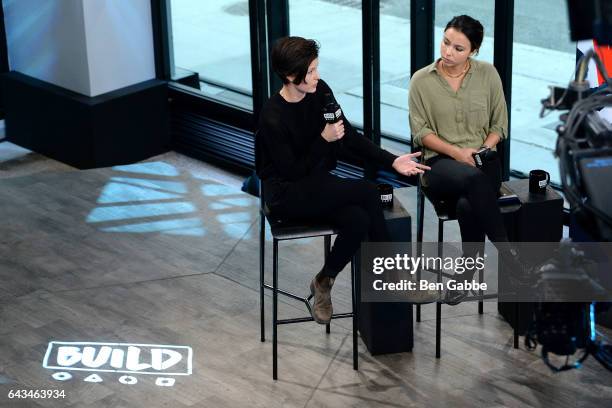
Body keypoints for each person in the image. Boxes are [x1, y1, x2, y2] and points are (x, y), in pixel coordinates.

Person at [257, 36, 437, 324]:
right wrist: (322, 140)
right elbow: (291, 172)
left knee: (358, 220)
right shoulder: (272, 117)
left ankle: (323, 281)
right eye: (311, 71)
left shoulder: (320, 91)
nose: (317, 76)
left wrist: (391, 159)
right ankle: (396, 278)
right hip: (285, 194)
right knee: (367, 192)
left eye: (316, 68)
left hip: (315, 183)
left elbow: (348, 136)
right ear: (291, 76)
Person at [409, 15, 518, 304]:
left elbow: (500, 125)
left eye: (458, 48)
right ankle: (510, 255)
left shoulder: (488, 74)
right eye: (446, 42)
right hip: (440, 163)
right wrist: (459, 154)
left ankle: (467, 275)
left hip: (483, 160)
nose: (448, 52)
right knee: (472, 179)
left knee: (469, 203)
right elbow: (421, 133)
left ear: (473, 51)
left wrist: (482, 150)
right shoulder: (421, 80)